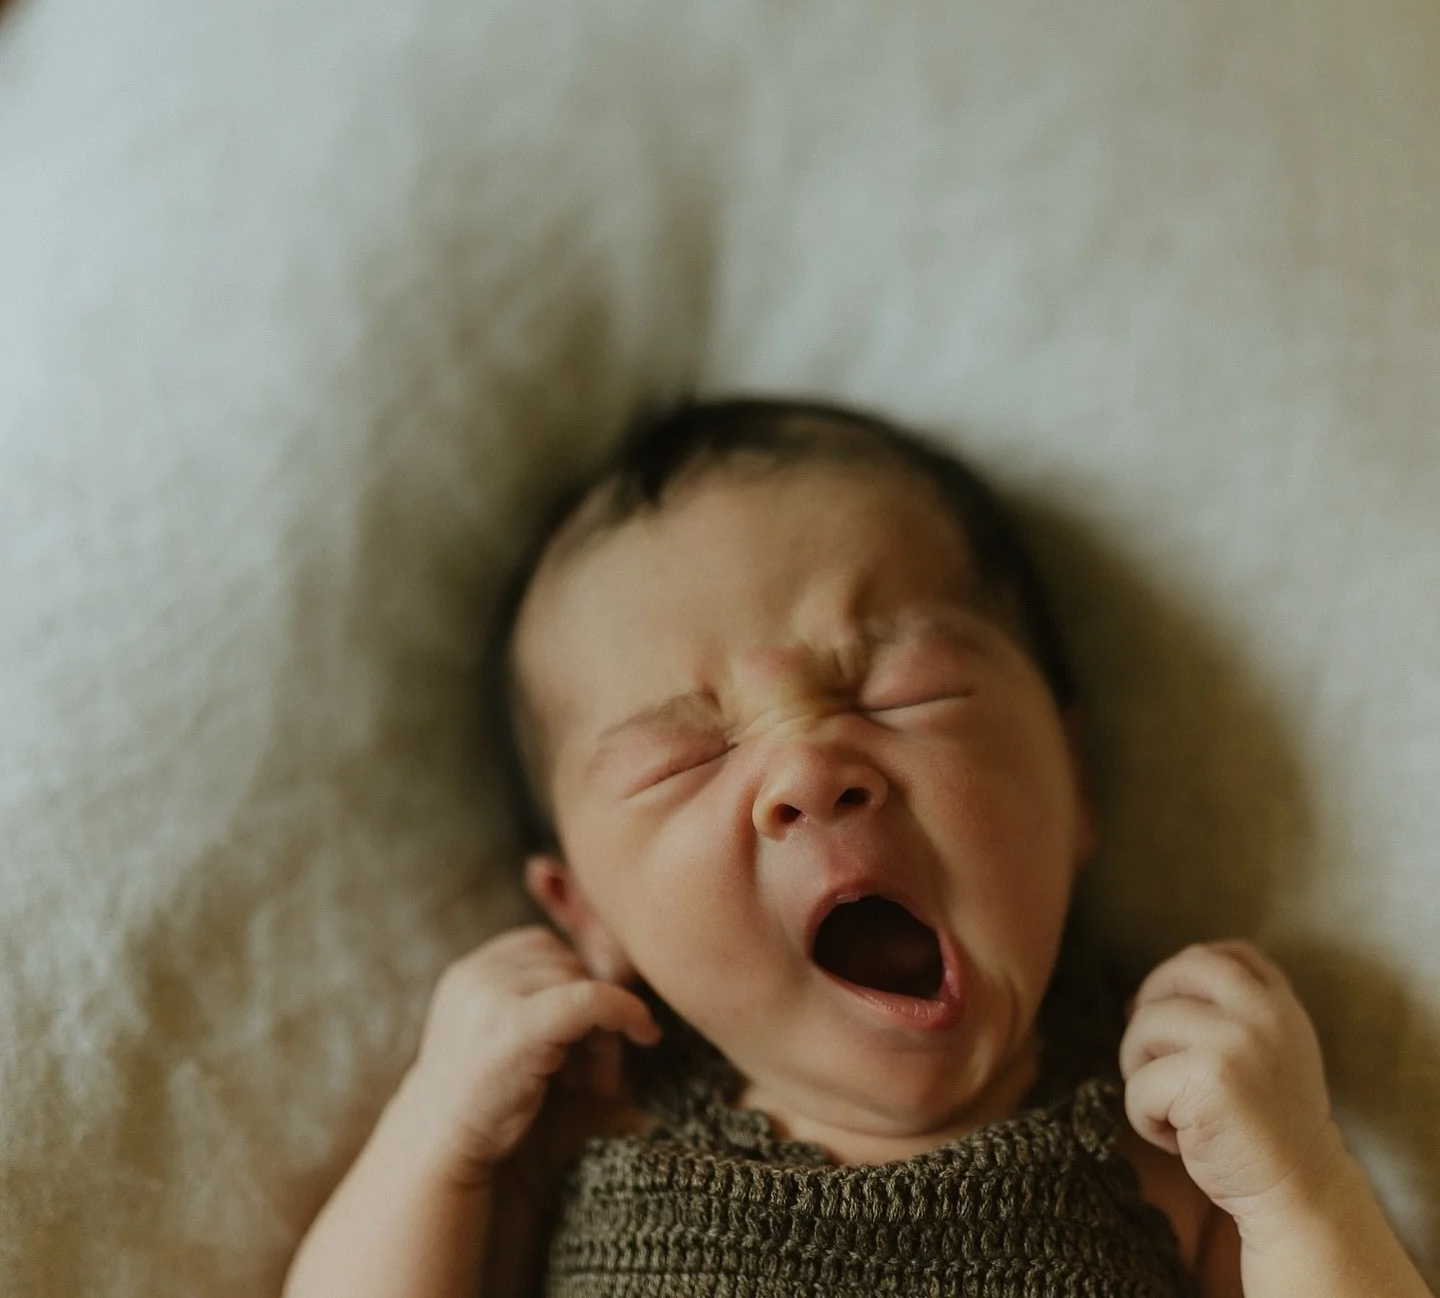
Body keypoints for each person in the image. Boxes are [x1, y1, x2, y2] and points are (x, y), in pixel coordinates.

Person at [285, 397, 1429, 1298]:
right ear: (583, 911)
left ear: (1074, 780)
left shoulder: (1170, 1142)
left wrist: (1299, 1188)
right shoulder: (586, 1122)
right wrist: (436, 1138)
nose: (807, 769)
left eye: (905, 692)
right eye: (681, 760)